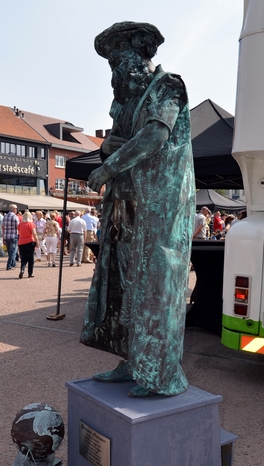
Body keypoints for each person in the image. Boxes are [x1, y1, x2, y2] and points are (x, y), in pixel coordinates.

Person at [80, 21, 195, 397]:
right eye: (110, 63)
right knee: (124, 291)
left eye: (118, 58)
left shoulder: (167, 87)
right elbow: (113, 141)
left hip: (159, 212)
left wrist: (108, 165)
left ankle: (160, 376)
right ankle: (131, 361)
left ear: (141, 51)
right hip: (126, 207)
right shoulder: (125, 102)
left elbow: (155, 135)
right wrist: (107, 149)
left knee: (157, 290)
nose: (114, 69)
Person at [18, 211, 39, 278]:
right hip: (30, 241)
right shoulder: (31, 224)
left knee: (23, 258)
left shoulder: (20, 224)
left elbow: (19, 232)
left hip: (21, 242)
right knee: (31, 258)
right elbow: (34, 234)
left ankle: (22, 269)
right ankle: (30, 273)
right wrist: (37, 242)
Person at [2, 204, 19, 270]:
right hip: (13, 235)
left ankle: (13, 263)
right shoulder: (15, 217)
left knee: (10, 251)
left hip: (6, 236)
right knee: (13, 251)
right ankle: (9, 265)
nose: (17, 210)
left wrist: (3, 236)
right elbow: (18, 226)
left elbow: (3, 227)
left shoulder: (5, 216)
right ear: (14, 209)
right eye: (16, 209)